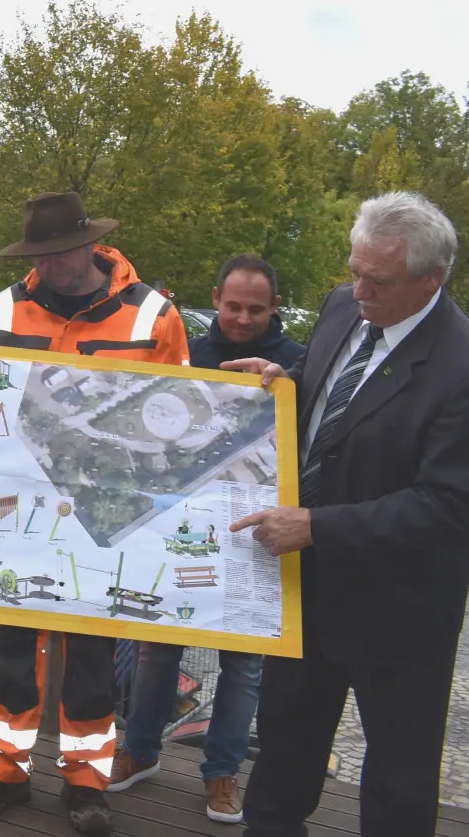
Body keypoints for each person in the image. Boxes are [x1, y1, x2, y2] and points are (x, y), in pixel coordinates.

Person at [223, 192, 469, 836]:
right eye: (353, 270)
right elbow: (334, 391)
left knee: (397, 784)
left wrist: (316, 527)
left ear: (429, 280)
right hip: (306, 593)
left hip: (398, 611)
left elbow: (446, 509)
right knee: (282, 754)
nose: (357, 291)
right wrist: (286, 377)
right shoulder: (342, 306)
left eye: (376, 281)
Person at [0, 192, 190, 836]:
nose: (53, 267)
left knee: (92, 646)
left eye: (62, 253)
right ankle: (5, 768)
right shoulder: (1, 310)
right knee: (10, 644)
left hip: (106, 512)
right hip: (18, 509)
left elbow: (182, 411)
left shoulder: (154, 317)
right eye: (41, 256)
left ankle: (88, 779)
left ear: (92, 245)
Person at [108, 253, 306, 823]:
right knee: (156, 648)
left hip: (253, 532)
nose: (243, 318)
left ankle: (221, 773)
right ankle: (139, 751)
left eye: (257, 309)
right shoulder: (182, 351)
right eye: (234, 305)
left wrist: (287, 386)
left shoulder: (296, 363)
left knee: (243, 664)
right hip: (177, 524)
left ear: (275, 308)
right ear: (216, 297)